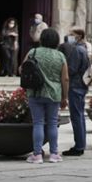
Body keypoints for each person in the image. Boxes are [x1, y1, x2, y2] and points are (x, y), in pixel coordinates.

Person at [24, 28, 68, 164]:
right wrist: (64, 97)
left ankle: (37, 155)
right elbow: (65, 78)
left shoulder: (33, 52)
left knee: (38, 123)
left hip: (35, 92)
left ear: (42, 39)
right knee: (53, 123)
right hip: (54, 93)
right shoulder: (60, 56)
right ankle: (54, 154)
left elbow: (22, 68)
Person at [61, 28, 92, 157]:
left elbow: (72, 69)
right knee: (79, 116)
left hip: (75, 86)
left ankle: (79, 146)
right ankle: (81, 144)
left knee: (76, 116)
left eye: (72, 35)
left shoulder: (77, 50)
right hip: (81, 85)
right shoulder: (84, 49)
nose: (69, 37)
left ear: (79, 36)